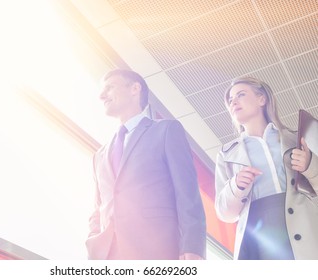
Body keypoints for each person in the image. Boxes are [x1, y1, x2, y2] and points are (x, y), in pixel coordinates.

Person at [85, 69, 206, 260]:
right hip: (109, 256)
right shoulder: (99, 156)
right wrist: (93, 239)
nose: (101, 95)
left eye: (109, 87)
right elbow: (98, 208)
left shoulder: (166, 130)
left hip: (157, 250)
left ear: (135, 89)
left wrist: (193, 247)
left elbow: (187, 193)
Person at [215, 77, 318, 260]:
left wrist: (310, 166)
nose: (234, 102)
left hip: (306, 230)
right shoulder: (226, 155)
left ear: (261, 99)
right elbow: (224, 213)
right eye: (230, 100)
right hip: (260, 242)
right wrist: (236, 187)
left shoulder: (297, 139)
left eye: (241, 95)